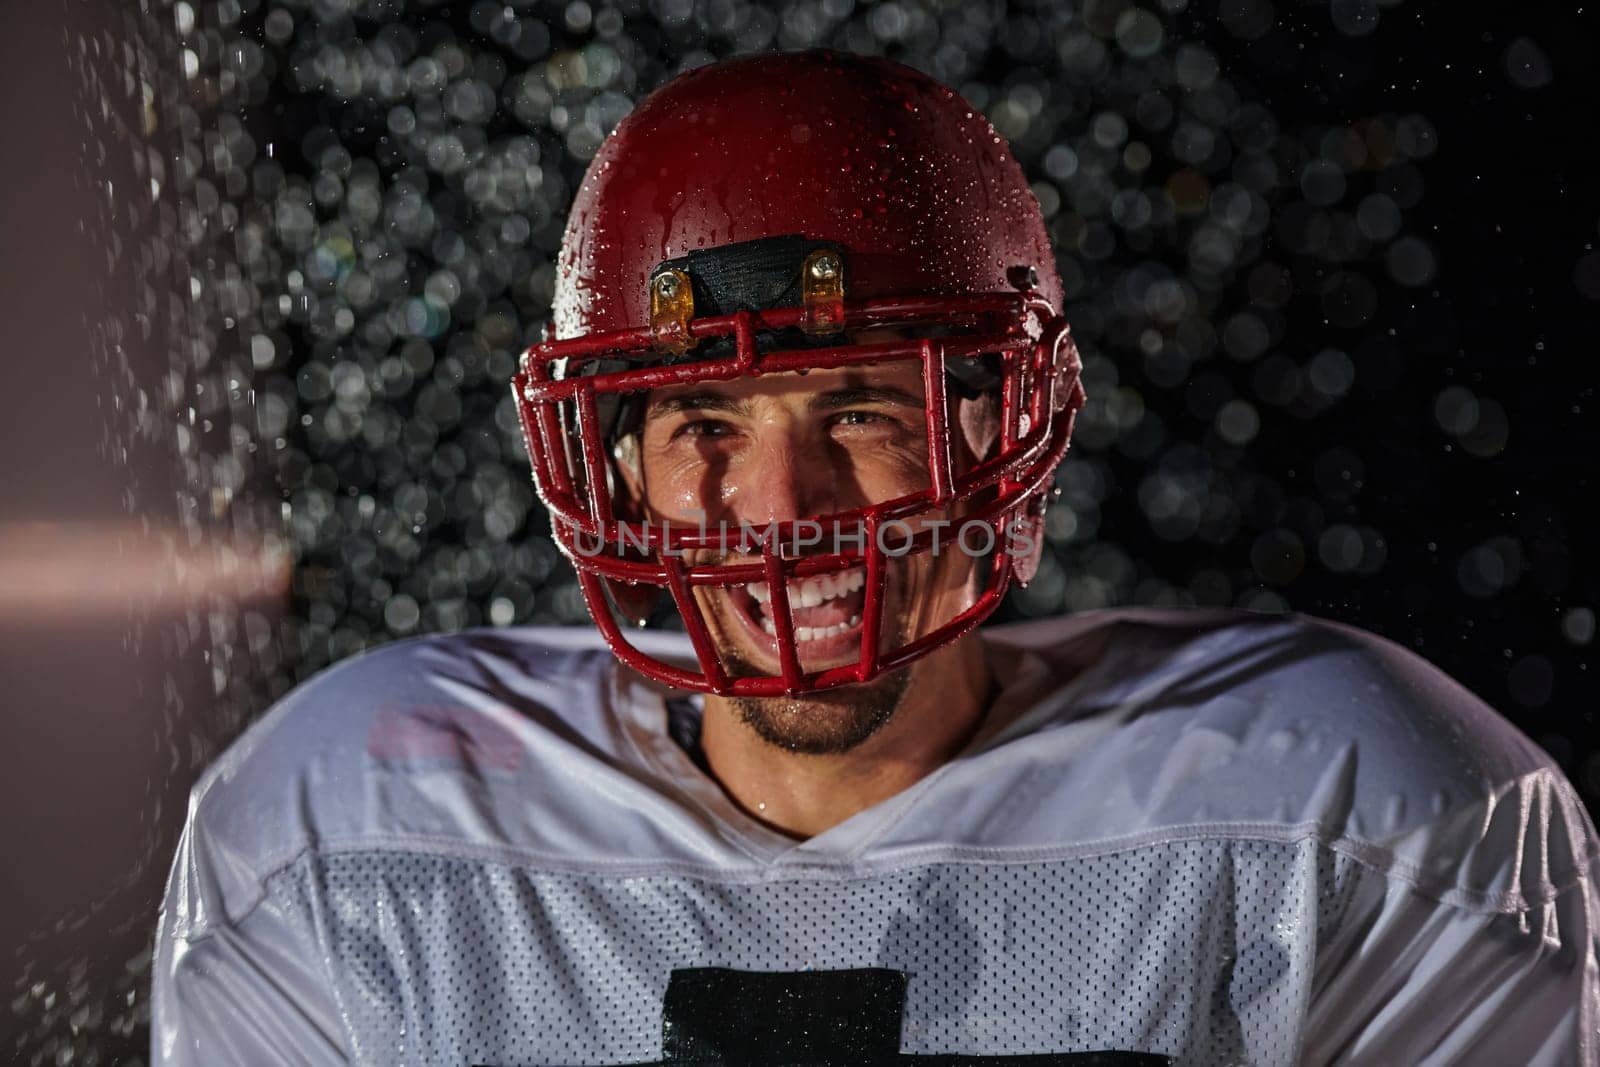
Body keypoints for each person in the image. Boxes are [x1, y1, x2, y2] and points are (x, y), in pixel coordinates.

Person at [152, 51, 1599, 1066]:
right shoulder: (341, 834)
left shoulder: (1361, 815)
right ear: (614, 470)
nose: (781, 502)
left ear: (998, 429)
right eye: (704, 418)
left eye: (858, 407)